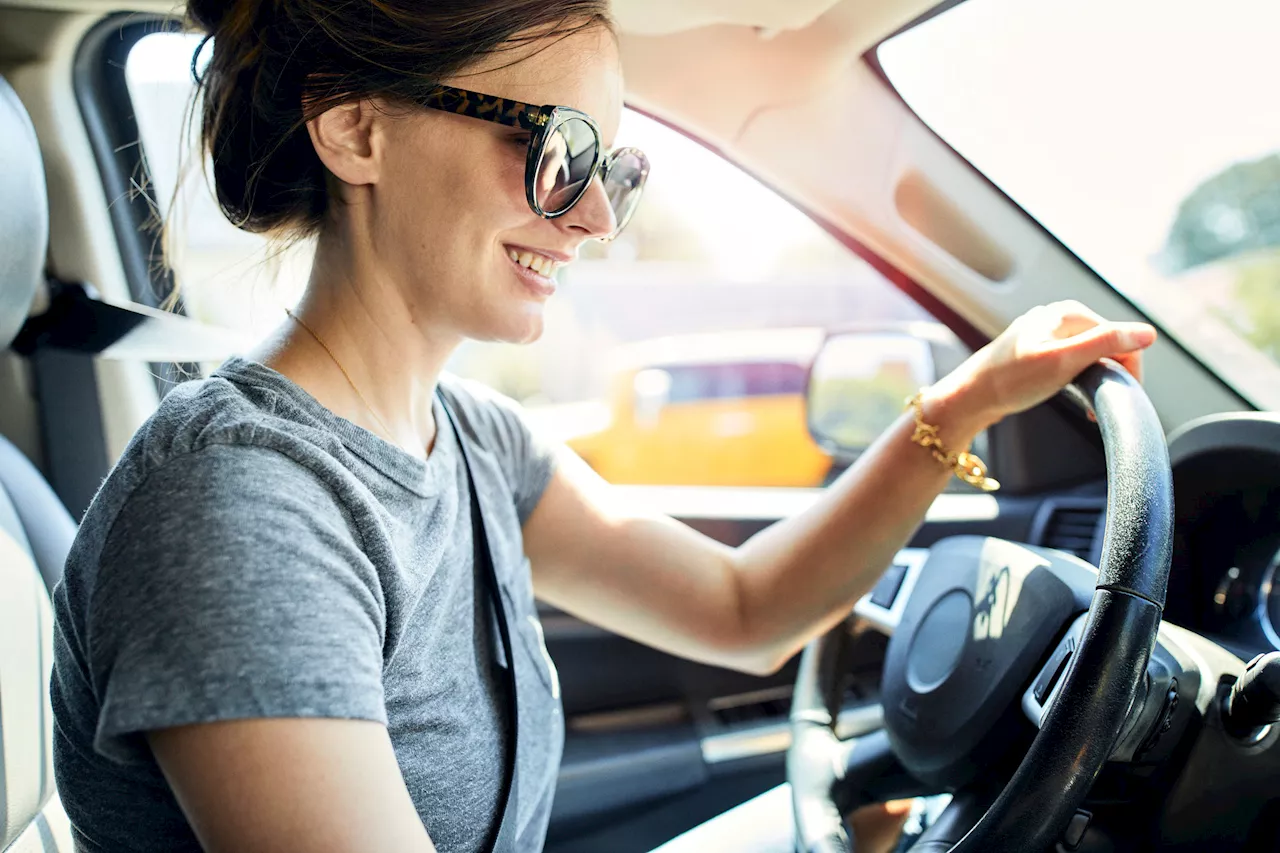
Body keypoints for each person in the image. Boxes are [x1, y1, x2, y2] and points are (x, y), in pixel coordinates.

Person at [48, 1, 1157, 851]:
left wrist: (962, 401)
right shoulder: (238, 504)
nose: (591, 218)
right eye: (554, 151)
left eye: (613, 170)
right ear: (353, 129)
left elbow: (744, 608)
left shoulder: (475, 442)